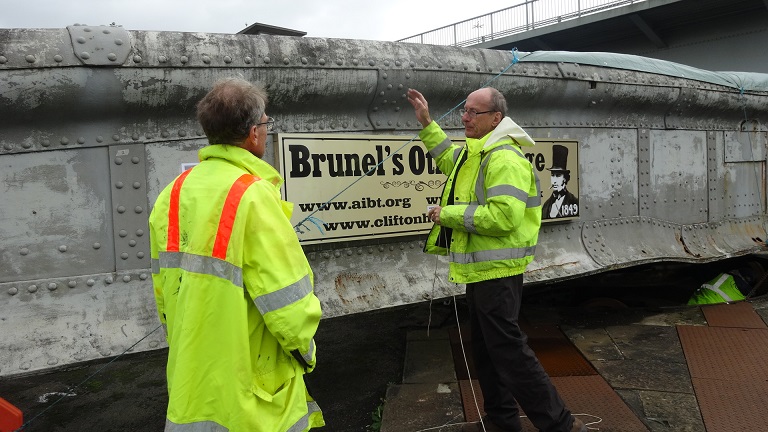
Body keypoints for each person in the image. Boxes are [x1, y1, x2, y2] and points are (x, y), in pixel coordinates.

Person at [149, 77, 324, 432]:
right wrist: (306, 353)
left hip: (190, 372)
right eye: (265, 123)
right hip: (251, 377)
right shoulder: (253, 194)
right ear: (252, 133)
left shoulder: (172, 193)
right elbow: (287, 299)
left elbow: (163, 290)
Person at [406, 87, 586, 432]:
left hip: (497, 272)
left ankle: (562, 426)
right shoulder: (479, 152)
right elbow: (449, 159)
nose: (464, 117)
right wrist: (427, 123)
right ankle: (502, 422)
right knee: (489, 351)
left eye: (474, 112)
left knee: (509, 353)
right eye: (464, 110)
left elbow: (503, 218)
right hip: (482, 271)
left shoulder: (503, 159)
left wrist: (448, 215)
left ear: (496, 119)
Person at [542, 144, 579, 219]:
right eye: (552, 175)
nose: (554, 181)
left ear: (565, 178)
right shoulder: (546, 205)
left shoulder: (574, 201)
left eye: (558, 176)